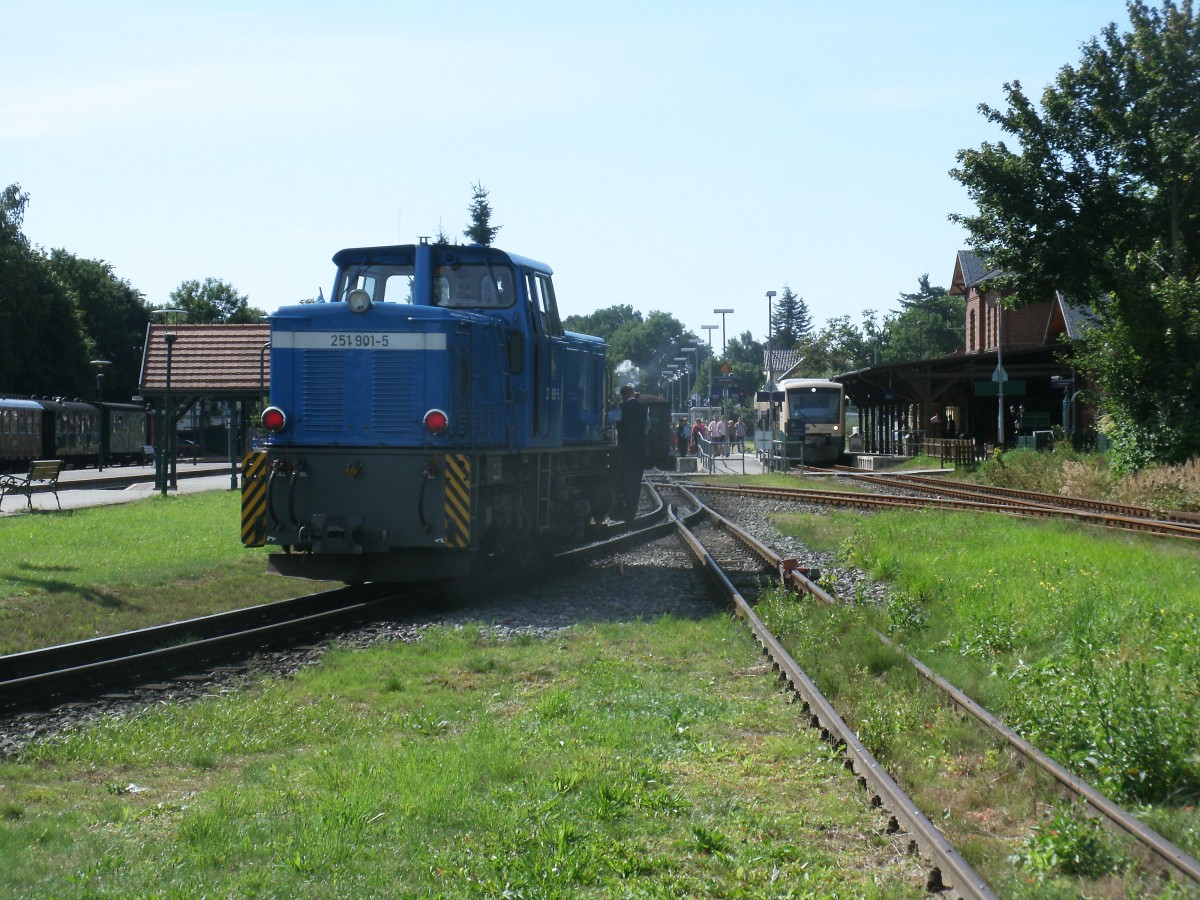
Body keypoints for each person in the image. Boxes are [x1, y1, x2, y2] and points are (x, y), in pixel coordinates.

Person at [614, 384, 648, 522]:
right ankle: (632, 513)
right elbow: (646, 426)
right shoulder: (643, 408)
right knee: (636, 482)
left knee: (624, 480)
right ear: (632, 393)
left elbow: (613, 420)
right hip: (639, 450)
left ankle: (624, 511)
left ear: (623, 395)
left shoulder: (621, 408)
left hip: (624, 450)